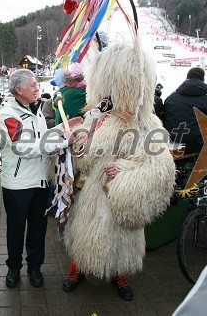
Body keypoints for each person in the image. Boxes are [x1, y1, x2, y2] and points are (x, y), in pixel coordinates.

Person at [64, 41, 175, 301]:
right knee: (83, 235)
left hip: (117, 198)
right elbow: (81, 152)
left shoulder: (147, 122)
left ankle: (120, 275)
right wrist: (73, 142)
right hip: (90, 194)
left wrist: (125, 173)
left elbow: (160, 169)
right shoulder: (97, 115)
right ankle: (76, 269)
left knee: (121, 243)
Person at [0, 69, 78, 289]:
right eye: (32, 85)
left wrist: (63, 128)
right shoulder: (8, 114)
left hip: (41, 181)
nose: (37, 89)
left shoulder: (38, 110)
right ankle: (14, 267)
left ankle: (35, 267)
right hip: (18, 184)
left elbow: (42, 139)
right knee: (16, 229)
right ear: (19, 90)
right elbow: (25, 147)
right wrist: (64, 141)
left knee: (38, 228)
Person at [164, 67, 207, 154]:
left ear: (186, 78)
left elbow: (164, 120)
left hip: (173, 145)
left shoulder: (171, 97)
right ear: (203, 80)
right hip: (199, 146)